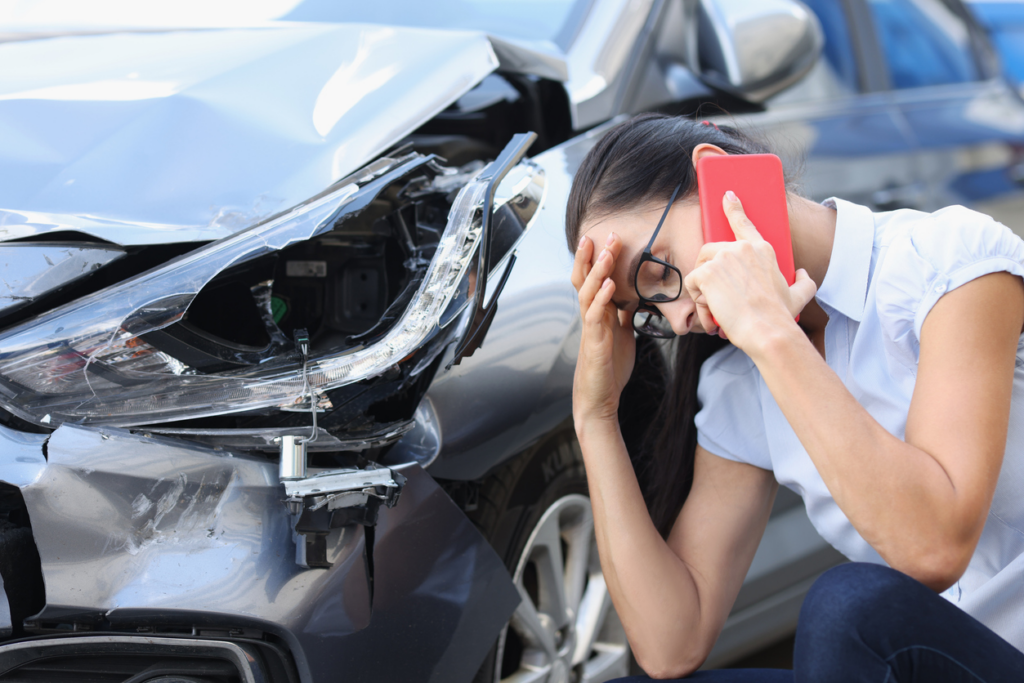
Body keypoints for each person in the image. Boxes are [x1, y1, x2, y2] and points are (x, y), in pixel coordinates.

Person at [568, 112, 1024, 682]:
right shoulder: (741, 379)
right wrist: (595, 415)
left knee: (849, 607)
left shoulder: (948, 263)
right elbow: (671, 644)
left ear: (718, 178)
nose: (679, 318)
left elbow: (933, 548)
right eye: (648, 313)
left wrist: (772, 334)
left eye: (658, 272)